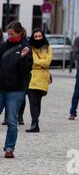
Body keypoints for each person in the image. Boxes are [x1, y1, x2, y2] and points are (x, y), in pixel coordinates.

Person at [0, 21, 33, 158]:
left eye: (12, 34)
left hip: (16, 90)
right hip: (0, 88)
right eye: (8, 33)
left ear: (20, 33)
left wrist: (22, 58)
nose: (9, 36)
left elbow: (25, 71)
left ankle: (9, 148)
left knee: (12, 121)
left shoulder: (26, 48)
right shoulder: (3, 46)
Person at [25, 29, 52, 133]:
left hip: (43, 77)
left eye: (39, 36)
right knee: (32, 102)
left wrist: (40, 63)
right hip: (32, 77)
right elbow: (34, 61)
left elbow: (48, 62)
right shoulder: (30, 48)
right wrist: (42, 62)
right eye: (35, 36)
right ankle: (34, 123)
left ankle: (35, 122)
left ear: (43, 36)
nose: (37, 38)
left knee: (38, 101)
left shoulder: (48, 48)